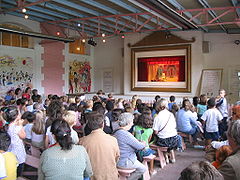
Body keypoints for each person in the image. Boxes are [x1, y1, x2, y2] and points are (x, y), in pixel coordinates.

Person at [79, 112, 120, 180]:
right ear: (103, 124)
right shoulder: (113, 140)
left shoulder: (82, 141)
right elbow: (117, 157)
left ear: (89, 125)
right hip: (110, 176)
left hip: (92, 176)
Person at [113, 112, 146, 180]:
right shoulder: (126, 134)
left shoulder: (115, 132)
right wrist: (143, 143)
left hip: (117, 160)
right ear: (128, 123)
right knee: (143, 169)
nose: (133, 123)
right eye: (132, 122)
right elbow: (140, 147)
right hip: (126, 161)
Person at [3, 106, 26, 177]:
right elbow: (23, 136)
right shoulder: (17, 127)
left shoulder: (6, 125)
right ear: (16, 116)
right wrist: (21, 125)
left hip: (10, 151)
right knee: (18, 170)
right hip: (18, 152)